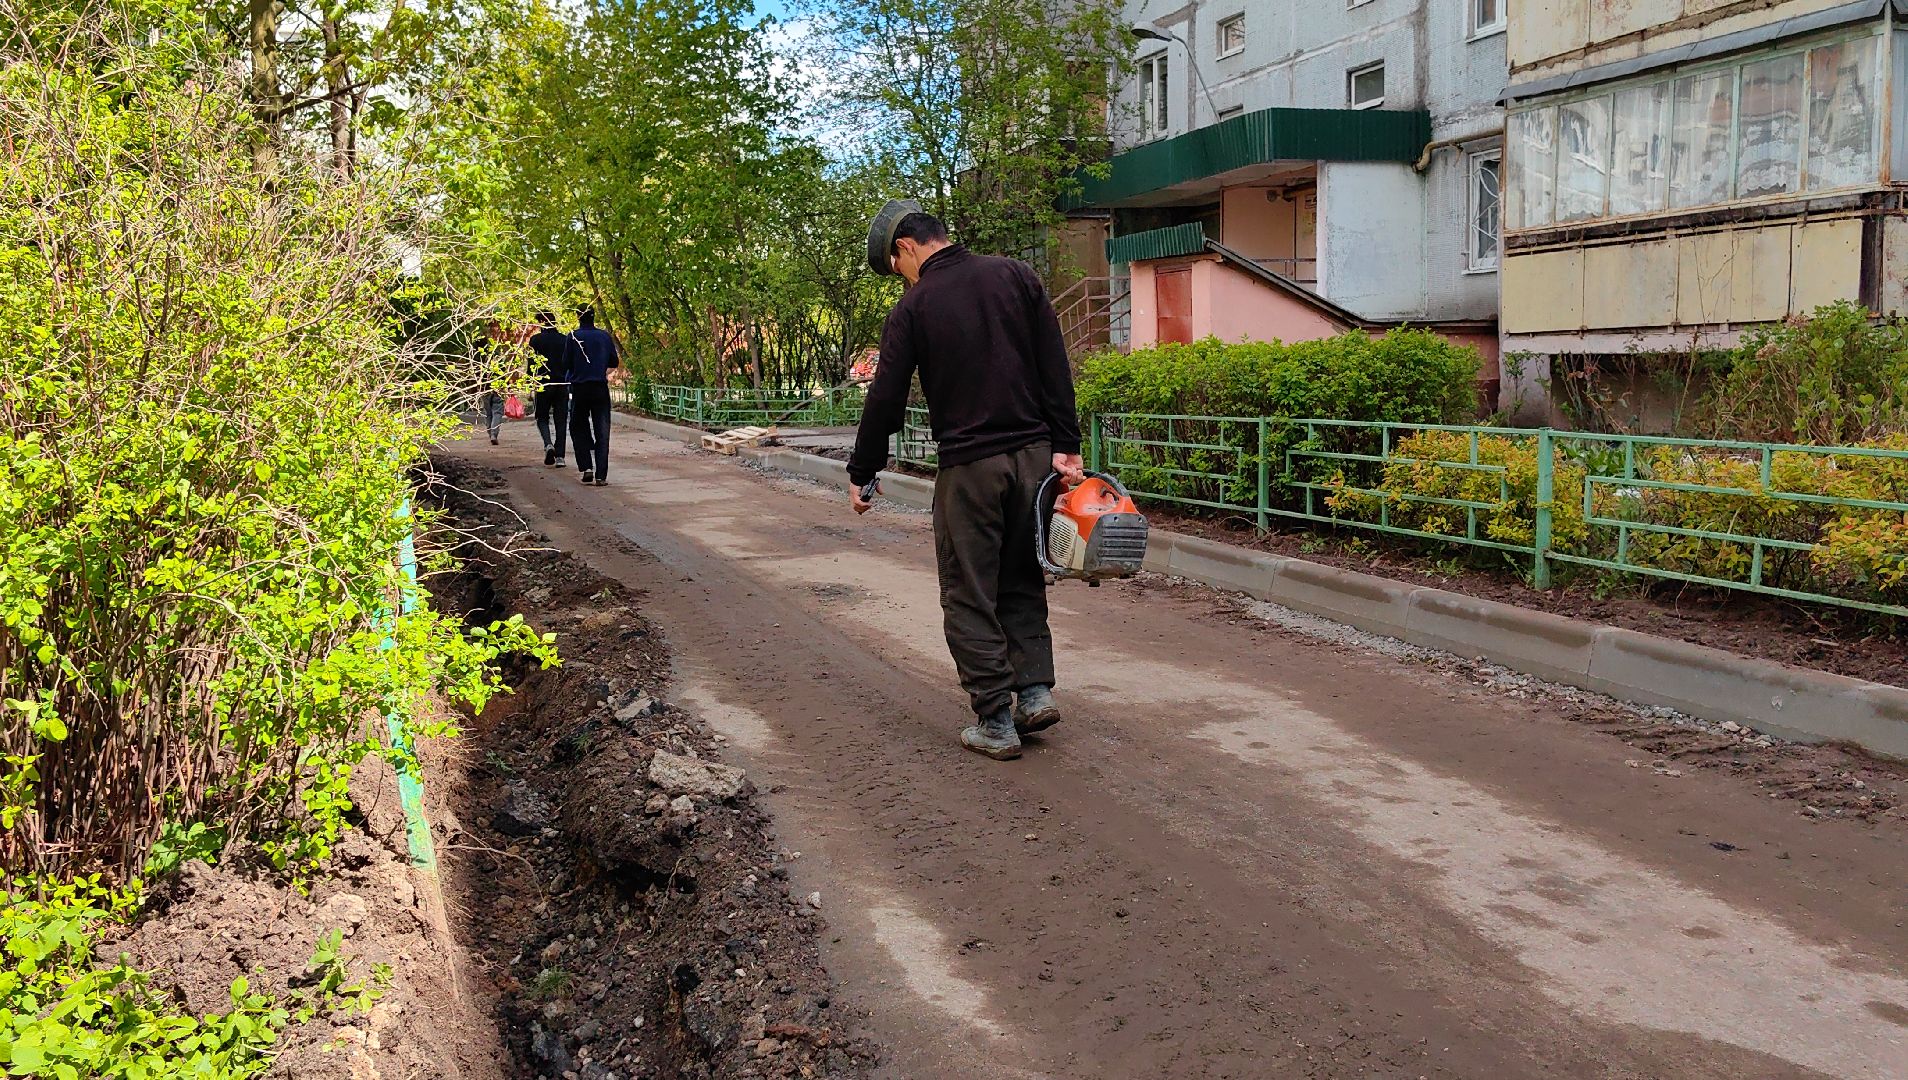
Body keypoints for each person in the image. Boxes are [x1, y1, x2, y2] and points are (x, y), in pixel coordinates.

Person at [846, 204, 1084, 762]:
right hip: (1032, 459)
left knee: (968, 588)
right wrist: (1065, 446)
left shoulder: (915, 306)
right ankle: (1033, 692)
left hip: (970, 468)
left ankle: (995, 720)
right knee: (1022, 576)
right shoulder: (1016, 276)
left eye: (894, 265)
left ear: (905, 247)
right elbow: (1055, 364)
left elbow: (887, 396)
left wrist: (863, 471)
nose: (900, 276)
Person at [568, 305, 619, 486]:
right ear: (593, 317)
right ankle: (601, 476)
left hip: (580, 388)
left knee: (577, 426)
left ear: (577, 317)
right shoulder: (604, 336)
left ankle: (586, 467)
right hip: (600, 387)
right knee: (602, 431)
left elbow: (566, 362)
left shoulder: (573, 336)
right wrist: (599, 369)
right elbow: (614, 361)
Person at [528, 311, 581, 467]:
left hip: (543, 385)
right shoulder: (565, 340)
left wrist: (531, 382)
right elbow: (571, 362)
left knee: (542, 417)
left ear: (541, 323)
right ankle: (560, 457)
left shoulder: (535, 341)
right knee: (561, 420)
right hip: (562, 385)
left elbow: (532, 364)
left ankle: (548, 444)